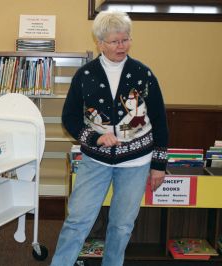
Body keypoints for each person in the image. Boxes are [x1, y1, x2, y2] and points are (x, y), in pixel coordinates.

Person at [50, 10, 168, 266]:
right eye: (114, 41)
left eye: (125, 40)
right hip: (96, 162)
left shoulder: (143, 74)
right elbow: (69, 118)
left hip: (136, 163)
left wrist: (159, 165)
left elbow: (159, 120)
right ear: (100, 43)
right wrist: (94, 138)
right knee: (77, 221)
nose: (121, 46)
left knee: (122, 225)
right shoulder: (85, 75)